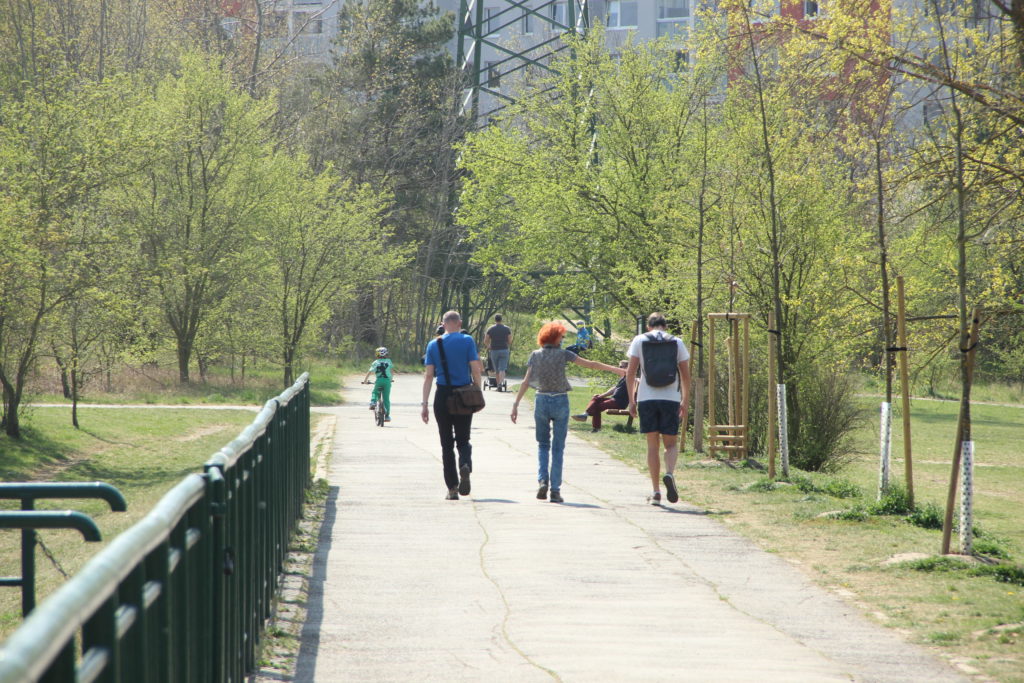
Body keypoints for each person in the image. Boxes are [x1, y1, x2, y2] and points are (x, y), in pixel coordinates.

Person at [511, 322, 625, 503]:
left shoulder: (535, 355)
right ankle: (555, 490)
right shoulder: (565, 354)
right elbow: (591, 365)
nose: (563, 340)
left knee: (542, 445)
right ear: (555, 338)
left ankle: (542, 480)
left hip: (541, 400)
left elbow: (526, 382)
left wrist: (516, 404)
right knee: (558, 447)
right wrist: (616, 369)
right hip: (560, 401)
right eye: (562, 337)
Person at [626, 313, 691, 505]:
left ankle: (655, 492)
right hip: (671, 399)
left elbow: (630, 373)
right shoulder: (677, 342)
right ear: (665, 326)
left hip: (647, 399)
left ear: (649, 326)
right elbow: (686, 376)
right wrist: (685, 401)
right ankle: (669, 473)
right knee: (670, 444)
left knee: (652, 446)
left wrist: (631, 400)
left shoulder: (640, 340)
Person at [422, 311, 484, 500]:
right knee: (463, 439)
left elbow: (429, 376)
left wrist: (424, 404)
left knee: (446, 444)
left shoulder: (434, 344)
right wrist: (477, 390)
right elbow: (476, 369)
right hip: (464, 395)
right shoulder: (467, 341)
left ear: (443, 323)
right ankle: (464, 463)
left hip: (442, 395)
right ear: (459, 323)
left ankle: (452, 488)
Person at [571, 360, 630, 431]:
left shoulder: (629, 378)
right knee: (596, 398)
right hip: (613, 400)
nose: (618, 368)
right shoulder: (623, 378)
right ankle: (585, 414)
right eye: (619, 366)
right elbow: (613, 390)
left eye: (621, 367)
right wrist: (601, 396)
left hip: (619, 403)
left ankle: (595, 427)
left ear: (628, 367)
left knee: (597, 407)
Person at [362, 347, 394, 422]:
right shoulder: (389, 361)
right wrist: (391, 379)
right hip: (387, 382)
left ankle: (373, 402)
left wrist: (365, 381)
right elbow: (392, 371)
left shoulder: (375, 362)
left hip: (379, 380)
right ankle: (387, 416)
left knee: (375, 392)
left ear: (377, 354)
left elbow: (370, 372)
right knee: (386, 399)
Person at [484, 314, 513, 391]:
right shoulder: (507, 329)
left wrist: (489, 346)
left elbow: (485, 340)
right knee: (502, 369)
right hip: (504, 350)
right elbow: (510, 341)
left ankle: (498, 386)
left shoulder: (490, 329)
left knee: (497, 369)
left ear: (495, 320)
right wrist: (507, 344)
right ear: (501, 320)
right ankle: (500, 383)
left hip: (494, 350)